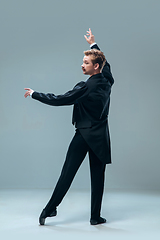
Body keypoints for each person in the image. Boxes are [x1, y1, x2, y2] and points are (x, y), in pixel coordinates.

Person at [24, 28, 114, 225]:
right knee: (98, 178)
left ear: (96, 66)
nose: (82, 66)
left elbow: (60, 99)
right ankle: (95, 217)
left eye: (86, 63)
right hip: (100, 137)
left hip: (83, 135)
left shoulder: (85, 87)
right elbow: (107, 65)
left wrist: (35, 94)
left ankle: (49, 210)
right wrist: (93, 44)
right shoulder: (107, 80)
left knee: (67, 174)